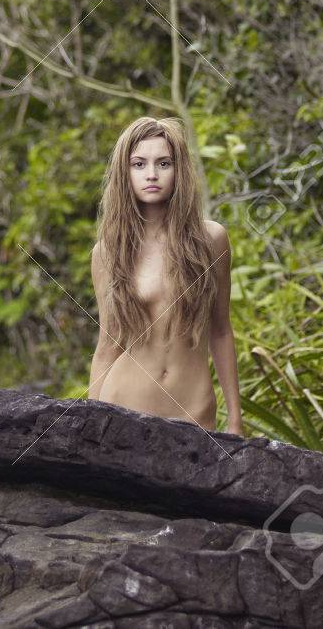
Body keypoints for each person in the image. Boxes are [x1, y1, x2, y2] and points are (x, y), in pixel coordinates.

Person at [87, 115, 243, 435]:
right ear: (125, 173)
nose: (152, 174)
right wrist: (89, 423)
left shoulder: (211, 240)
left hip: (194, 409)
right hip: (124, 406)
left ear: (179, 170)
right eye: (139, 164)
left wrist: (236, 419)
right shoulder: (108, 252)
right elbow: (108, 345)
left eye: (164, 163)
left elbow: (221, 331)